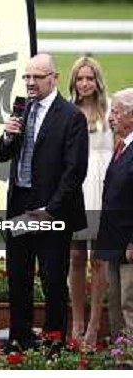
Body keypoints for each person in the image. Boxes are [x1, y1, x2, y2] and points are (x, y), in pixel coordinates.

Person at [0, 53, 89, 352]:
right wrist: (8, 136)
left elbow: (75, 172)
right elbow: (2, 154)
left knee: (52, 279)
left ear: (54, 78)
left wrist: (51, 210)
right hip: (20, 204)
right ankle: (19, 338)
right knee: (18, 277)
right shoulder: (21, 110)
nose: (30, 83)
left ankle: (53, 342)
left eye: (36, 77)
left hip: (51, 210)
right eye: (27, 77)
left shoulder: (71, 116)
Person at [67, 56, 112, 346]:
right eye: (80, 78)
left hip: (103, 186)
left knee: (99, 260)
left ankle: (95, 325)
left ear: (97, 81)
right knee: (74, 257)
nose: (85, 83)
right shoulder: (68, 112)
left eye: (90, 78)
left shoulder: (109, 113)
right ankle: (77, 321)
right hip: (75, 186)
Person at [95, 88, 133, 336]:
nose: (110, 117)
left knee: (130, 304)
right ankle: (122, 359)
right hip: (114, 241)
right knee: (116, 304)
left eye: (116, 112)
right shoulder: (121, 147)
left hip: (129, 245)